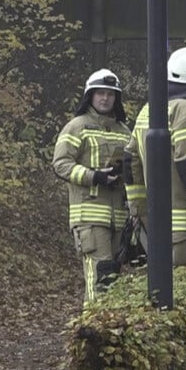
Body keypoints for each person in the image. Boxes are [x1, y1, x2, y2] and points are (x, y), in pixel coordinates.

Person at [124, 46, 186, 266]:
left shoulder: (148, 110)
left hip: (157, 230)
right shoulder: (185, 111)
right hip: (185, 231)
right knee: (182, 295)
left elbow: (130, 162)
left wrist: (138, 211)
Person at [52, 68, 132, 303]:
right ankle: (93, 330)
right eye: (100, 93)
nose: (105, 98)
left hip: (118, 217)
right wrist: (94, 176)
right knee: (99, 277)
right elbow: (60, 164)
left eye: (110, 94)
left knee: (114, 280)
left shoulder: (124, 131)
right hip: (88, 215)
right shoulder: (76, 127)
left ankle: (108, 330)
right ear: (90, 96)